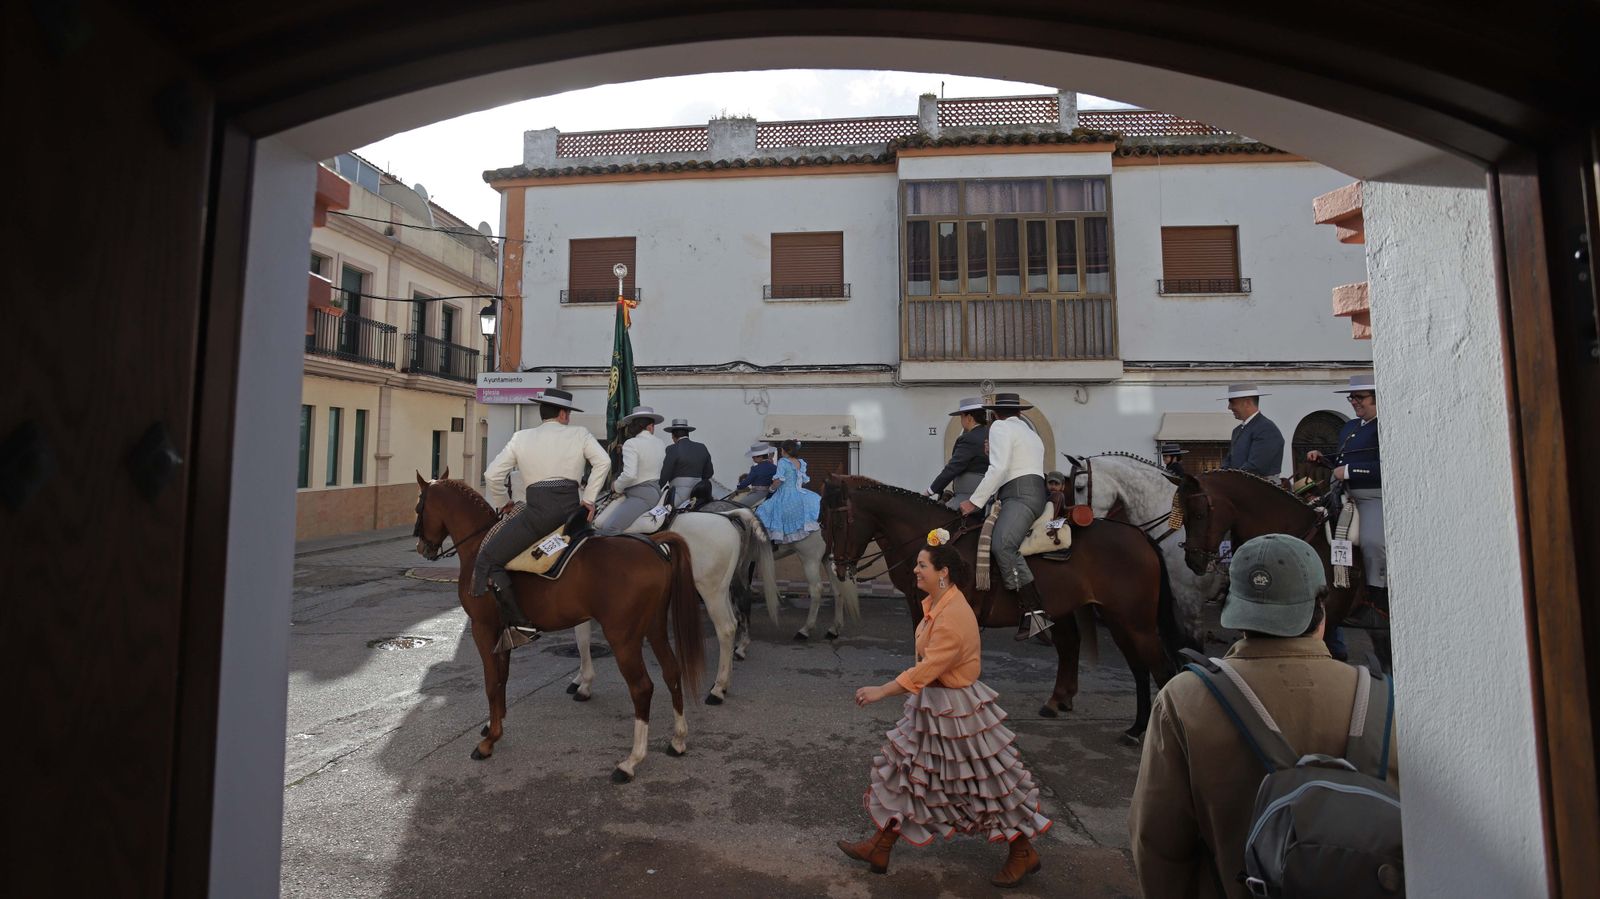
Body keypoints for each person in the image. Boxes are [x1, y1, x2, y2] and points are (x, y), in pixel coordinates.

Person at [1128, 534, 1400, 899]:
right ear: (1319, 609)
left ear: (1238, 614)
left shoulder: (1184, 698)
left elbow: (1158, 842)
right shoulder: (1389, 699)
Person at [839, 535, 1051, 887]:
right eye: (918, 564)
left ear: (943, 572)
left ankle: (1023, 850)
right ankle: (881, 845)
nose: (915, 570)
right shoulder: (937, 603)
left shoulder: (953, 613)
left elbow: (928, 667)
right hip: (932, 706)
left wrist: (883, 691)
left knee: (988, 785)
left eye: (922, 565)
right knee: (908, 775)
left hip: (957, 711)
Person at [475, 388, 610, 649]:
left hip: (537, 514)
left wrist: (504, 504)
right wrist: (589, 500)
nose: (568, 417)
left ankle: (520, 623)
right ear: (562, 413)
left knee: (488, 559)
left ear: (543, 413)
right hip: (574, 515)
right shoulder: (580, 434)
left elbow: (492, 475)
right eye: (568, 413)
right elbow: (603, 462)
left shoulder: (521, 437)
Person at [960, 393, 1050, 641]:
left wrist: (974, 501)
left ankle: (1036, 614)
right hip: (1028, 491)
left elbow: (999, 469)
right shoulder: (1029, 433)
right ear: (1019, 412)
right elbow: (1014, 464)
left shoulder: (999, 427)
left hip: (1019, 495)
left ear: (994, 414)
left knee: (1003, 545)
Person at [1315, 373, 1388, 655]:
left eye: (1360, 398)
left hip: (1372, 494)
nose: (1355, 403)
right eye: (1352, 398)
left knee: (1372, 541)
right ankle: (1340, 593)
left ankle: (1376, 598)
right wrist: (1323, 458)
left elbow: (1387, 464)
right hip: (1344, 494)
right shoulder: (1350, 428)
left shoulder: (1385, 424)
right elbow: (1343, 459)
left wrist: (1349, 471)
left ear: (1375, 398)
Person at [594, 405, 666, 534]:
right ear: (650, 427)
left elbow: (630, 475)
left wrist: (616, 486)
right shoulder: (660, 443)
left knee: (608, 527)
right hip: (655, 492)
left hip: (639, 496)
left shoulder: (631, 443)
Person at [755, 440, 822, 543]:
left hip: (785, 494)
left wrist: (771, 489)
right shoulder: (801, 462)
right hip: (801, 493)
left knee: (762, 511)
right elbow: (803, 481)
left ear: (784, 450)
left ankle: (768, 542)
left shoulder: (783, 462)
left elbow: (779, 481)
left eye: (781, 449)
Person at [928, 396, 989, 510]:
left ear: (969, 417)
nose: (961, 421)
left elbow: (953, 468)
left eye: (961, 416)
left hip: (969, 495)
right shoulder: (991, 432)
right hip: (986, 494)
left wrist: (930, 491)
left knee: (941, 520)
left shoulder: (969, 438)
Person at [1218, 384, 1285, 479]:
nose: (1229, 407)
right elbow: (1229, 459)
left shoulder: (1266, 428)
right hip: (1239, 486)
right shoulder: (1237, 430)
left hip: (1261, 489)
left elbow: (1256, 466)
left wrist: (1231, 479)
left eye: (1232, 402)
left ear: (1247, 402)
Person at [659, 417, 713, 509]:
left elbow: (665, 475)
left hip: (679, 495)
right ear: (688, 433)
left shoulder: (672, 449)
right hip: (699, 494)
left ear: (673, 435)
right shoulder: (702, 447)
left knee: (660, 515)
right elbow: (709, 473)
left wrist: (658, 488)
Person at [734, 442, 778, 507]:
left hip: (758, 493)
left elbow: (747, 481)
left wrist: (739, 486)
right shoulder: (774, 467)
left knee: (738, 506)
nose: (752, 458)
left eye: (754, 456)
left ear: (760, 457)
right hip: (771, 493)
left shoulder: (755, 468)